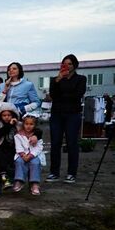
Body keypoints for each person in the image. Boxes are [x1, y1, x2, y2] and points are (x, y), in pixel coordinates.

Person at [46, 54, 87, 184]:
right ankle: (54, 172)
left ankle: (71, 173)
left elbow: (77, 95)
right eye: (65, 63)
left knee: (72, 143)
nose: (67, 66)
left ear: (74, 65)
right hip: (57, 114)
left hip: (73, 114)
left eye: (70, 64)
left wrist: (62, 96)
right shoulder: (55, 80)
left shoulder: (81, 79)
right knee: (55, 143)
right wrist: (59, 80)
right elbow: (53, 95)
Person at [14, 115, 43, 196]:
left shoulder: (36, 136)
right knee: (19, 161)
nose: (28, 126)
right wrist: (23, 155)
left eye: (31, 124)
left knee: (35, 162)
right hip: (21, 155)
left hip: (33, 155)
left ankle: (35, 184)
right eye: (26, 124)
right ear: (23, 124)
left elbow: (39, 147)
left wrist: (30, 155)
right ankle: (19, 181)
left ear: (35, 125)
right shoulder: (18, 135)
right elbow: (18, 147)